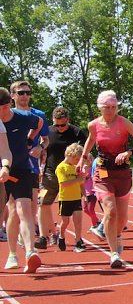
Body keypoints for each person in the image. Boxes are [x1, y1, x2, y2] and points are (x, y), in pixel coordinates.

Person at [78, 90, 133, 268]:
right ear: (100, 107)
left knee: (122, 218)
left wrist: (129, 152)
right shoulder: (93, 125)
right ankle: (114, 253)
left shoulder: (124, 123)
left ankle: (117, 236)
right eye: (106, 107)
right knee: (111, 211)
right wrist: (82, 158)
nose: (110, 111)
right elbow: (91, 140)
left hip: (122, 171)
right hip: (103, 171)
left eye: (113, 107)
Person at [2, 87, 43, 273]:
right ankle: (12, 254)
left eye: (3, 108)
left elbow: (40, 122)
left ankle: (30, 252)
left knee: (23, 209)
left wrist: (31, 139)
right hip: (2, 170)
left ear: (10, 104)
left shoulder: (23, 117)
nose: (1, 113)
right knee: (11, 211)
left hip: (21, 169)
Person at [39, 107, 88, 247]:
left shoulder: (77, 132)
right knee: (43, 203)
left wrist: (83, 166)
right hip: (50, 173)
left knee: (74, 212)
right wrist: (39, 168)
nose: (60, 128)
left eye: (63, 125)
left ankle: (76, 238)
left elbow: (87, 152)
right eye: (57, 125)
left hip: (71, 174)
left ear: (68, 120)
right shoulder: (47, 131)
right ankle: (44, 237)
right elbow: (41, 151)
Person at [10, 81, 50, 247]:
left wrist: (40, 148)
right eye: (21, 93)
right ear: (13, 96)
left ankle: (25, 237)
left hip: (31, 167)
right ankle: (15, 245)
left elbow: (46, 139)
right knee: (13, 207)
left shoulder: (38, 115)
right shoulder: (7, 114)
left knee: (32, 206)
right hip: (10, 165)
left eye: (27, 92)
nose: (25, 96)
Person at [55, 143, 87, 252]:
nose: (77, 162)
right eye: (76, 159)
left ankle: (78, 241)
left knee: (78, 221)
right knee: (65, 222)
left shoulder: (76, 168)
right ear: (70, 155)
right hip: (65, 199)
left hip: (76, 198)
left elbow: (81, 183)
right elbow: (63, 183)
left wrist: (85, 195)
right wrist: (77, 180)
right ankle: (61, 235)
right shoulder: (61, 167)